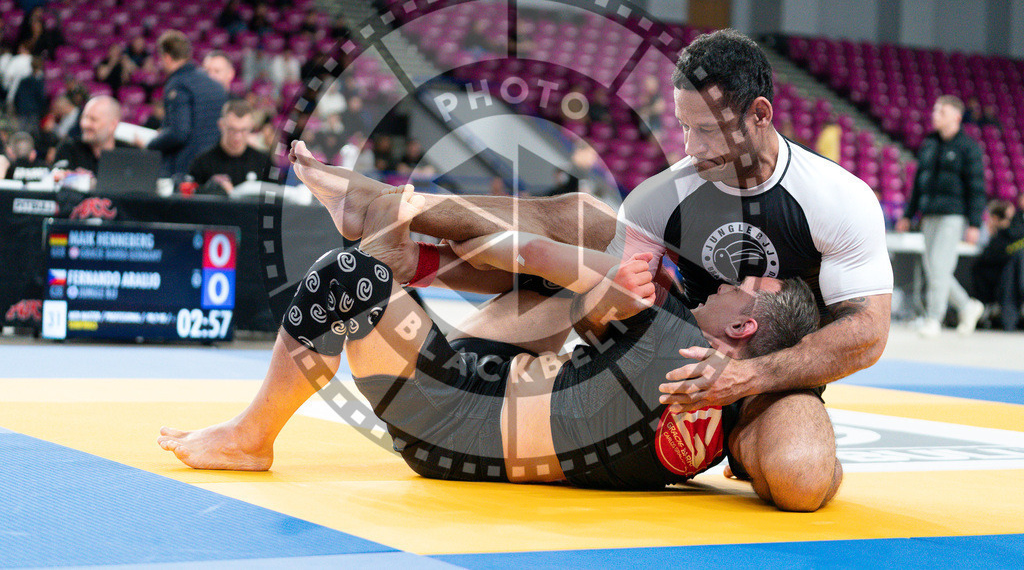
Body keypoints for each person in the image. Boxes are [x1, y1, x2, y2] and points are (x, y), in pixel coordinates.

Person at [269, 29, 893, 511]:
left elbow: (866, 334)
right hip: (673, 339)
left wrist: (748, 378)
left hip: (777, 368)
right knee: (581, 228)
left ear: (760, 114)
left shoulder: (835, 198)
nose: (693, 148)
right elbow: (552, 271)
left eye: (709, 131)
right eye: (683, 128)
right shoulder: (664, 197)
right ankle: (396, 217)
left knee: (803, 478)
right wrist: (435, 259)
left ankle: (408, 246)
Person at [159, 184, 825, 506]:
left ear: (743, 326)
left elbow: (535, 246)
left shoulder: (671, 325)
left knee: (346, 278)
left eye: (745, 287)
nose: (729, 280)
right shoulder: (741, 420)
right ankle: (406, 251)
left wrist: (410, 219)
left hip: (453, 421)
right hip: (502, 402)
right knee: (557, 287)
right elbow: (801, 476)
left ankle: (251, 436)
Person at [896, 95, 986, 336]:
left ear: (956, 116)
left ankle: (934, 318)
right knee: (935, 269)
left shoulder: (968, 147)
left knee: (938, 266)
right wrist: (909, 214)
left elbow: (977, 187)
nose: (935, 115)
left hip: (953, 216)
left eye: (941, 112)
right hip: (929, 214)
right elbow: (918, 183)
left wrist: (975, 223)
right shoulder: (929, 144)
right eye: (935, 111)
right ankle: (968, 306)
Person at [147, 31, 225, 177]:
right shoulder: (216, 85)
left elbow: (179, 133)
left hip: (185, 169)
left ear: (167, 58)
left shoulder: (178, 84)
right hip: (213, 167)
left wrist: (151, 143)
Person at [187, 100, 271, 195]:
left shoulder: (263, 162)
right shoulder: (202, 162)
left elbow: (276, 200)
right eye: (232, 129)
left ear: (251, 127)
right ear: (221, 125)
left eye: (243, 130)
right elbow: (190, 199)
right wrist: (210, 189)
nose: (237, 136)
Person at [52, 95, 127, 177]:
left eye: (93, 119)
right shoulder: (68, 148)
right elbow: (58, 178)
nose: (85, 124)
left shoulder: (128, 154)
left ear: (113, 125)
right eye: (84, 117)